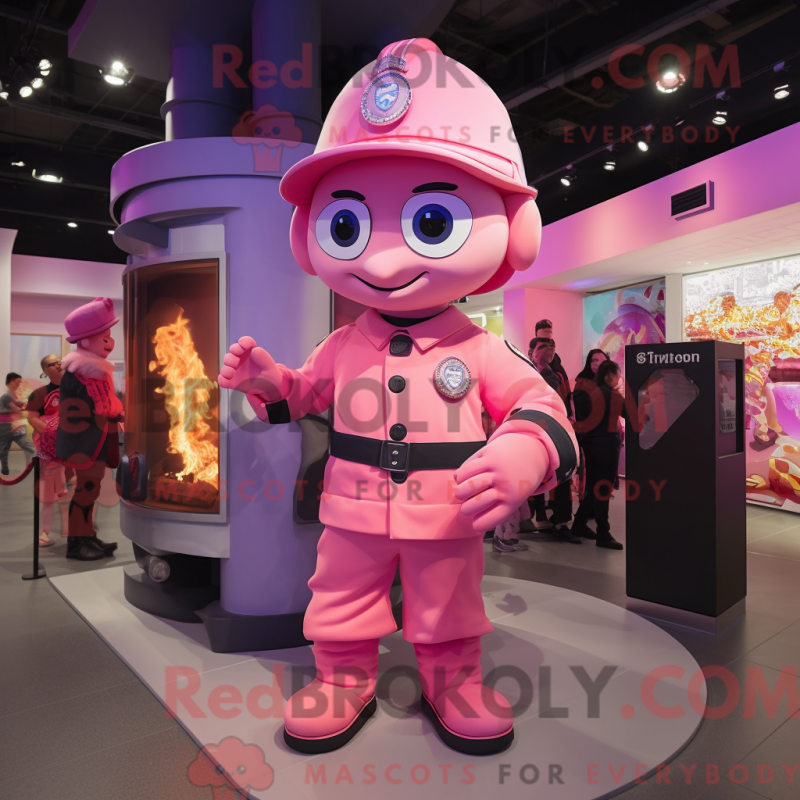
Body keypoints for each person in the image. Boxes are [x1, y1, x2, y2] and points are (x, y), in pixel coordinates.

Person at [219, 38, 578, 757]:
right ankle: (342, 678)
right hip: (351, 510)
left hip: (446, 513)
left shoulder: (480, 348)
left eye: (431, 222)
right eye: (346, 226)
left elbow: (542, 408)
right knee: (341, 597)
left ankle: (454, 680)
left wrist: (521, 456)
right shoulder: (342, 343)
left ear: (515, 230)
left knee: (449, 603)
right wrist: (266, 381)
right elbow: (302, 395)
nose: (383, 259)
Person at [56, 298, 122, 561]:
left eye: (110, 336)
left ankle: (87, 537)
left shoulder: (94, 372)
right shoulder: (82, 374)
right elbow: (98, 408)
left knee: (91, 490)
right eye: (104, 338)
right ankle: (76, 544)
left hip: (95, 441)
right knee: (86, 491)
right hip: (83, 444)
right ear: (84, 341)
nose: (110, 342)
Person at [528, 338, 581, 544]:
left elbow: (565, 399)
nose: (548, 350)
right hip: (533, 429)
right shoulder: (528, 370)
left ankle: (561, 522)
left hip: (556, 429)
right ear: (532, 352)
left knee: (563, 476)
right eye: (543, 347)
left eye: (551, 347)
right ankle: (530, 517)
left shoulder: (557, 372)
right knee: (532, 476)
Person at [571, 359, 626, 550]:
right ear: (610, 375)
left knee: (594, 486)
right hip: (607, 446)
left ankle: (579, 524)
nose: (619, 379)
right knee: (603, 488)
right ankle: (603, 532)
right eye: (618, 375)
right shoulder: (612, 396)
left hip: (590, 445)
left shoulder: (589, 394)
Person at [26, 355, 68, 546]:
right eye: (52, 364)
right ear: (45, 371)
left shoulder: (76, 389)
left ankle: (79, 530)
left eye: (59, 361)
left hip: (77, 446)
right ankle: (45, 532)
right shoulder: (40, 393)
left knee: (81, 487)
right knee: (49, 489)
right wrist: (51, 433)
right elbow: (32, 417)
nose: (58, 365)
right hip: (50, 448)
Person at [0, 372, 36, 475]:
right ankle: (5, 470)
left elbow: (18, 404)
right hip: (6, 426)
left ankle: (30, 468)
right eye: (18, 382)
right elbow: (7, 409)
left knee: (29, 447)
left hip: (14, 426)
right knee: (4, 450)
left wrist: (24, 406)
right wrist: (19, 409)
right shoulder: (6, 396)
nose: (19, 384)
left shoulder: (12, 395)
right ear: (11, 381)